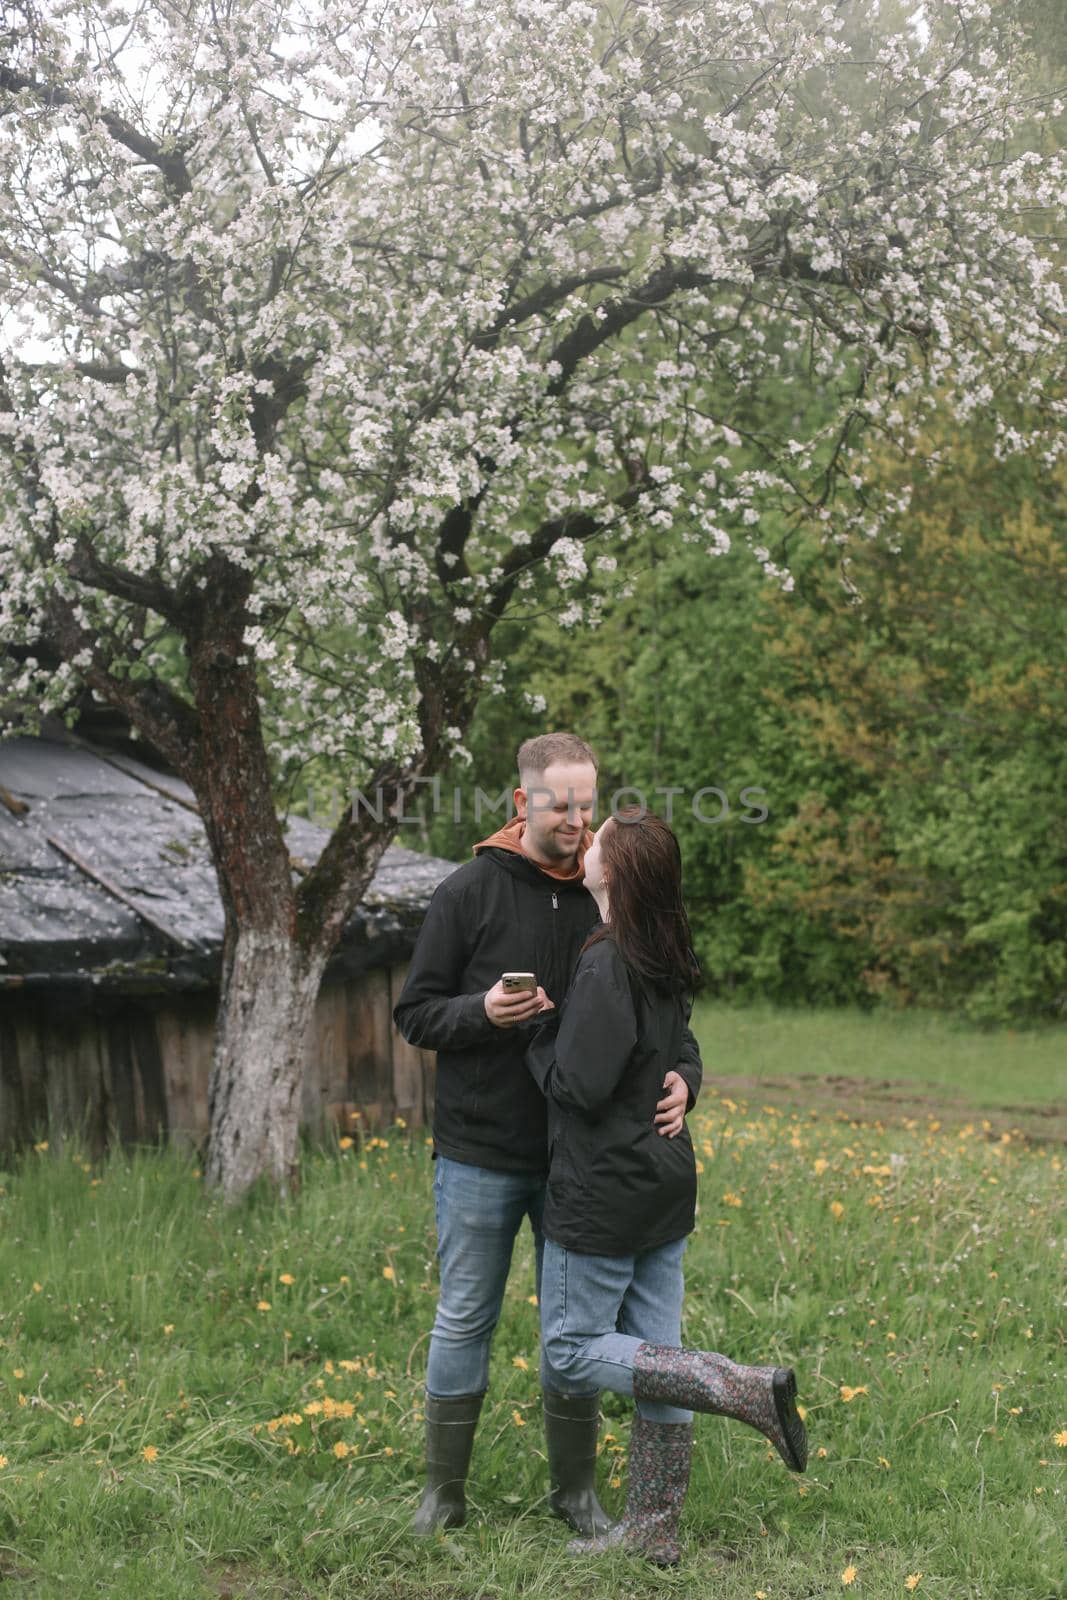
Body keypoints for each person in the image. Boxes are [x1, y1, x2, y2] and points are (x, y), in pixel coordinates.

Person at [393, 734, 703, 1537]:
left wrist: (686, 1079)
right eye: (559, 804)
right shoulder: (467, 892)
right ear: (522, 801)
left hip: (586, 1166)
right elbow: (414, 1013)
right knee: (465, 1316)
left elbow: (668, 1017)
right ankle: (442, 1494)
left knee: (575, 1337)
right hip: (483, 1149)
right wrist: (480, 1013)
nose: (574, 820)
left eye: (586, 806)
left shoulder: (618, 898)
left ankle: (575, 1495)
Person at [526, 809, 808, 1567]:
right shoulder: (661, 950)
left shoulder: (606, 960)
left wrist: (536, 1032)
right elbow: (678, 1043)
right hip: (660, 1181)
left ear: (611, 872)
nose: (585, 841)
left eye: (600, 836)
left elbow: (577, 1089)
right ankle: (653, 1527)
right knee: (653, 1348)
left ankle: (738, 1387)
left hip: (603, 1189)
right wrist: (685, 1077)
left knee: (572, 1350)